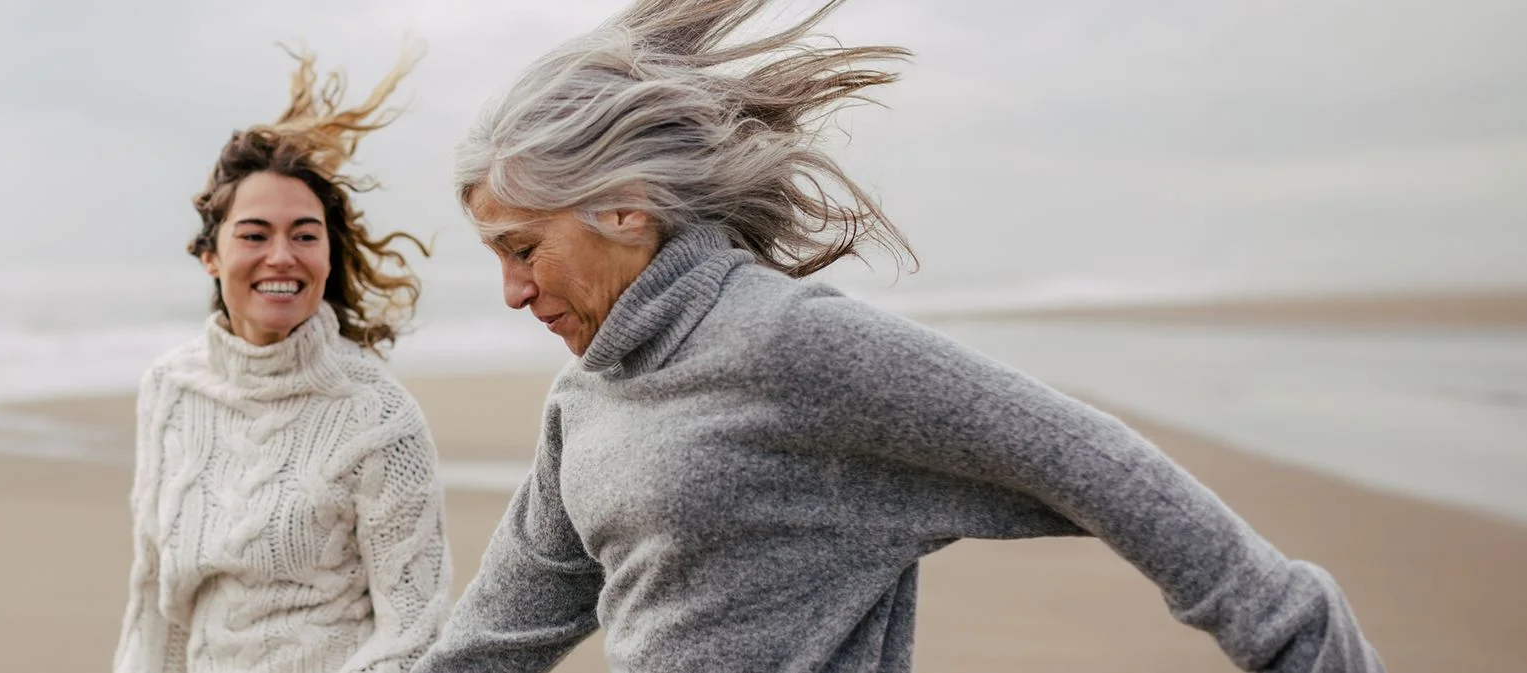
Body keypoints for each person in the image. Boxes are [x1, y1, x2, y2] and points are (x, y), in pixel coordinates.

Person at [410, 1, 1384, 671]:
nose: (510, 290)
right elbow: (492, 641)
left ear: (624, 209)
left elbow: (1088, 458)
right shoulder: (585, 404)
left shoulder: (789, 349)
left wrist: (1301, 638)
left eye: (523, 247)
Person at [115, 47, 450, 673]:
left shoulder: (381, 418)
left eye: (304, 234)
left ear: (328, 255)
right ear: (210, 256)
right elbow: (155, 603)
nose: (281, 256)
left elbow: (415, 635)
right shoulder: (167, 392)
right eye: (253, 234)